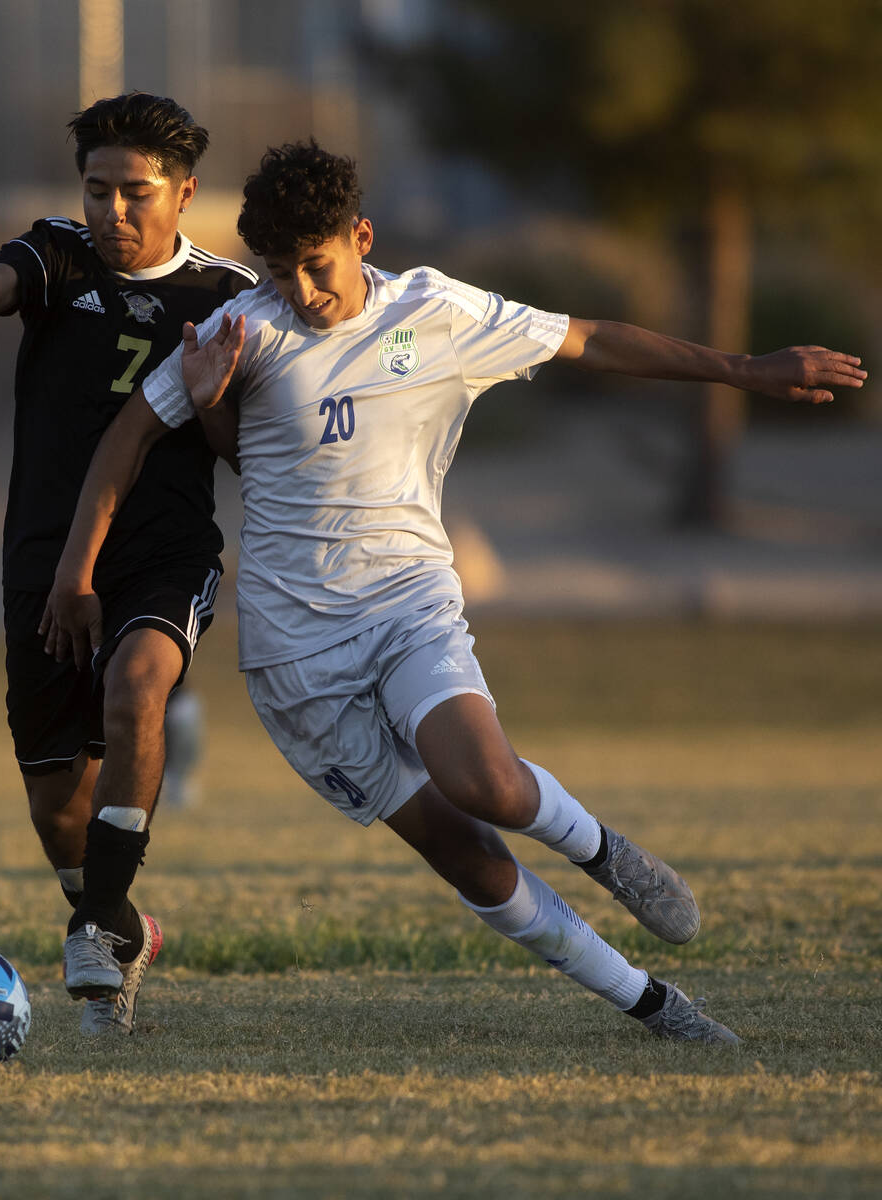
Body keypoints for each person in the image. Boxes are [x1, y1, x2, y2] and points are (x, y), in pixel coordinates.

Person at [43, 141, 868, 1044]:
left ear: (361, 237)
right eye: (281, 274)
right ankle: (651, 1003)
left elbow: (588, 338)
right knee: (463, 854)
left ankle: (603, 851)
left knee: (491, 787)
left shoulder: (437, 311)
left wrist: (745, 371)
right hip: (293, 657)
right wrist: (89, 557)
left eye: (317, 268)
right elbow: (129, 438)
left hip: (405, 606)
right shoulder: (245, 331)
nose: (303, 294)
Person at [0, 93, 257, 1036]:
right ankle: (122, 921)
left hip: (160, 553)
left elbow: (246, 452)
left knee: (140, 685)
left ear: (185, 193)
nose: (114, 213)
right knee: (59, 805)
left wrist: (213, 396)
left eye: (136, 193)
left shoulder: (226, 299)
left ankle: (94, 933)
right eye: (98, 191)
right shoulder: (59, 254)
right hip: (44, 561)